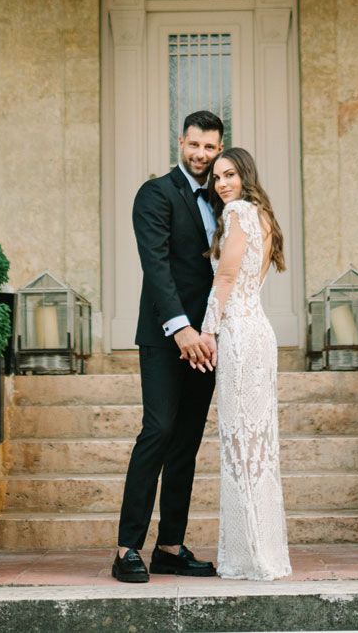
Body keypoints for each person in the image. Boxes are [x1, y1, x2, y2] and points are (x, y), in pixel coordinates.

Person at [112, 110, 224, 583]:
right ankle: (126, 550)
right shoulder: (155, 193)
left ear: (220, 148)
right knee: (157, 431)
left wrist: (211, 331)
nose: (201, 155)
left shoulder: (224, 197)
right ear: (181, 142)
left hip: (209, 340)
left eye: (210, 148)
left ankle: (171, 547)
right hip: (167, 337)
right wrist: (181, 329)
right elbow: (155, 265)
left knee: (187, 443)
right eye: (195, 145)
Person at [198, 147, 291, 581]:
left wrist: (205, 331)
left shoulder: (237, 213)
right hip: (261, 333)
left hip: (238, 335)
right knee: (257, 445)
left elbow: (227, 277)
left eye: (230, 174)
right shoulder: (264, 216)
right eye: (217, 178)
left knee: (240, 445)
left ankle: (250, 554)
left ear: (245, 175)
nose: (222, 184)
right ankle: (263, 550)